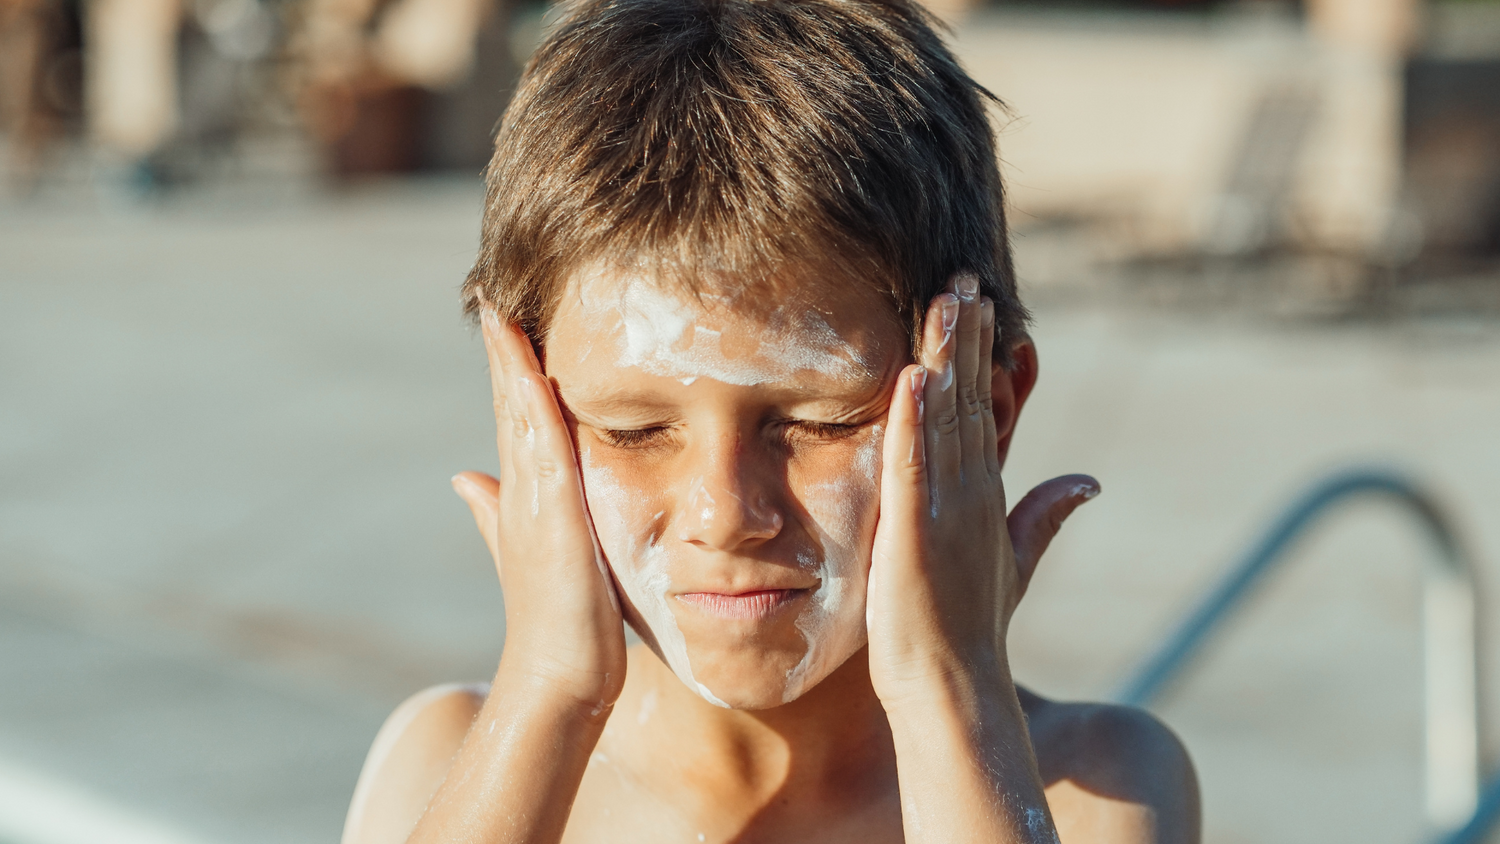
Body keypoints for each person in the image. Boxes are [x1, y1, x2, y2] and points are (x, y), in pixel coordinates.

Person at [342, 0, 1201, 841]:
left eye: (821, 422)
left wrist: (947, 685)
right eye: (633, 432)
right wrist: (550, 689)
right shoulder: (448, 765)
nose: (724, 513)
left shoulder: (1098, 786)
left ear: (989, 409)